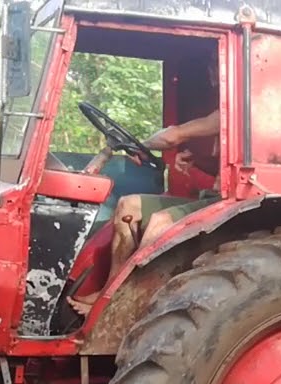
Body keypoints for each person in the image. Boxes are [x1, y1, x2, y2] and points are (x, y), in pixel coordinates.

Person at [68, 59, 222, 316]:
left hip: (225, 199)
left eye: (216, 67)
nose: (213, 74)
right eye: (211, 68)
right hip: (211, 195)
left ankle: (130, 306)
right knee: (128, 205)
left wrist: (142, 145)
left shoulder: (230, 114)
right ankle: (110, 294)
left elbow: (173, 135)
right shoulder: (225, 118)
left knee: (160, 223)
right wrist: (197, 162)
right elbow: (223, 166)